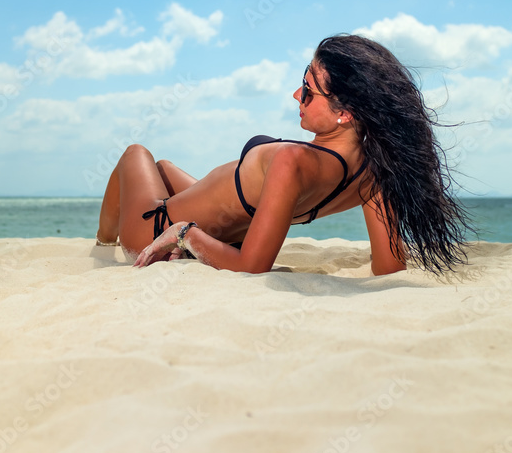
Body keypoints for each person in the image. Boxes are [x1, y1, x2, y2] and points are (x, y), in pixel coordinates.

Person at [95, 34, 472, 275]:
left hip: (157, 233)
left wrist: (184, 233)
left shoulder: (292, 162)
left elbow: (252, 267)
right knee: (163, 168)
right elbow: (390, 266)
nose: (296, 96)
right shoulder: (376, 170)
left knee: (135, 153)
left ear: (345, 112)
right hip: (223, 235)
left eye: (307, 90)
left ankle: (103, 243)